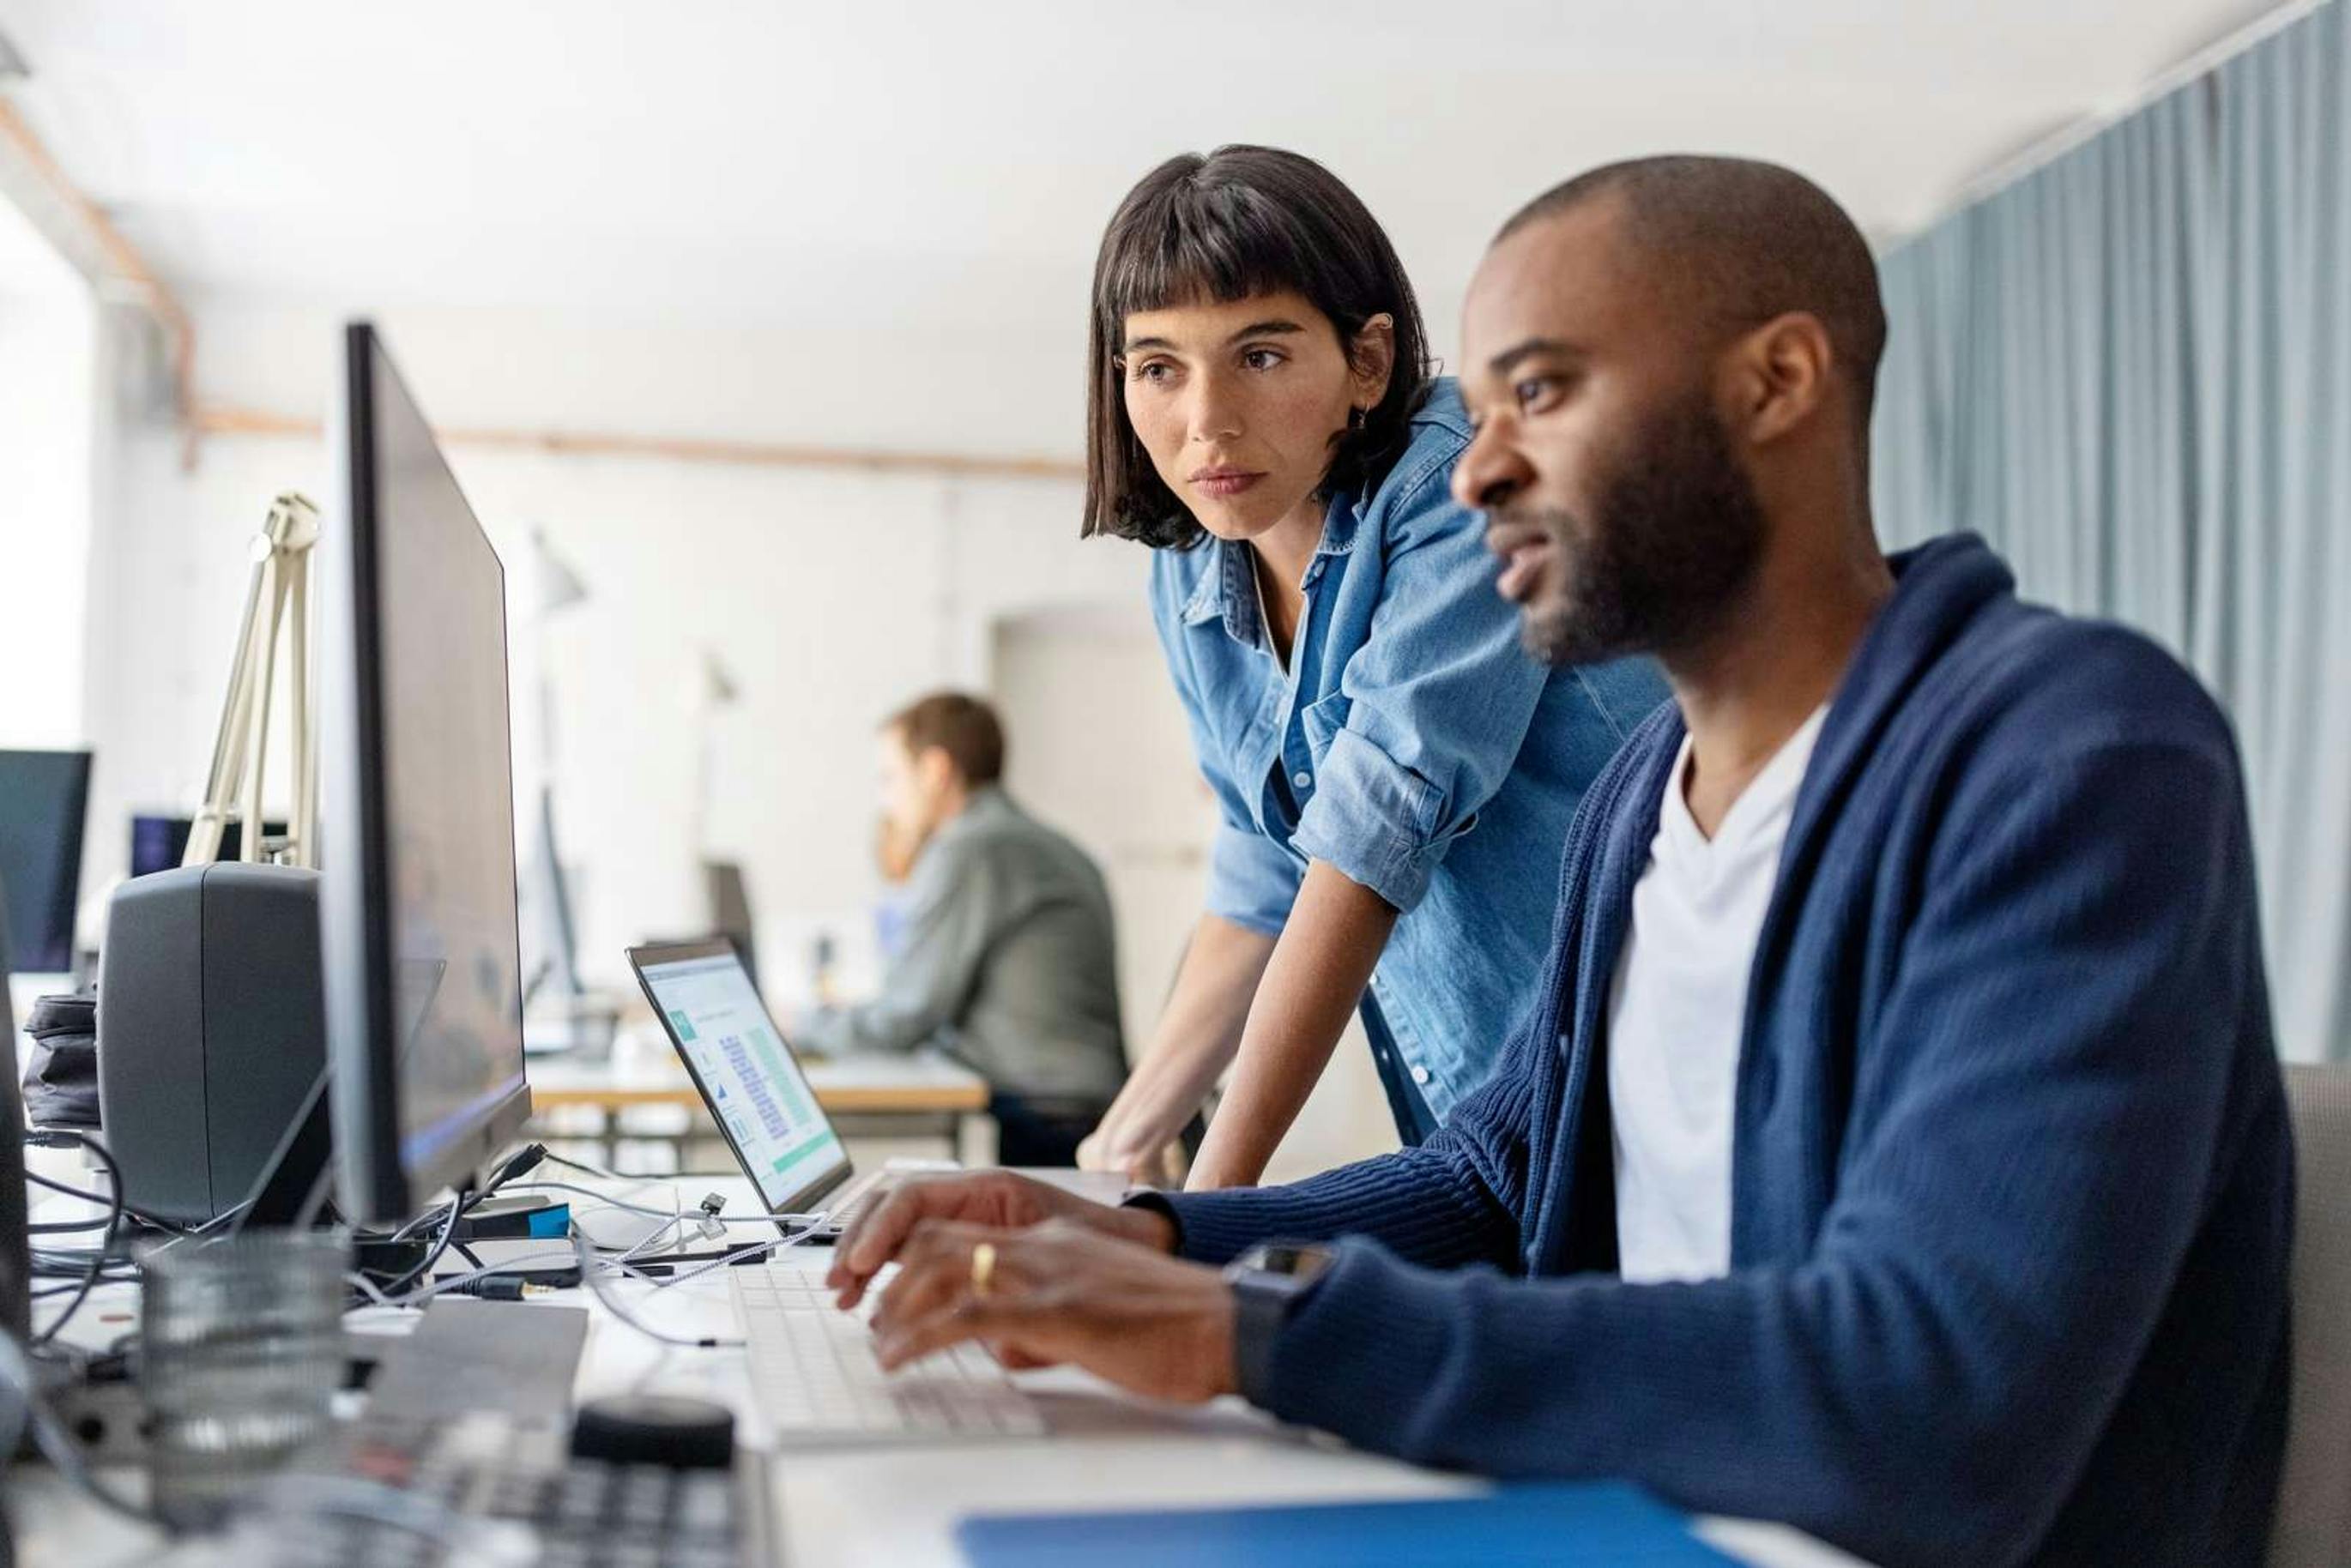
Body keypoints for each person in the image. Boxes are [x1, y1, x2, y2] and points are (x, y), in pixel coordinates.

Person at [825, 158, 2294, 1566]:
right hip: (1639, 1499)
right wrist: (1144, 1232)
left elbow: (1929, 1401)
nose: (1476, 472)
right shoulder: (1642, 796)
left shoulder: (2072, 757)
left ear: (1777, 383)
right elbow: (1487, 1178)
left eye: (1537, 391)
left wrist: (1249, 1330)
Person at [1075, 145, 1665, 1188]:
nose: (1204, 420)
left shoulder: (1468, 487)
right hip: (1492, 1122)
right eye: (1158, 366)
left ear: (1368, 362)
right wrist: (1124, 1147)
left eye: (1259, 355)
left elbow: (1369, 833)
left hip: (1660, 1083)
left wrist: (1205, 1208)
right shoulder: (1189, 566)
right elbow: (1266, 871)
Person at [794, 692, 1127, 1167]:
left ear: (934, 770)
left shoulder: (972, 848)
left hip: (1046, 1117)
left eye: (889, 778)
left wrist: (802, 1024)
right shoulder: (1037, 840)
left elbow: (905, 1016)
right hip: (1079, 1106)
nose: (886, 800)